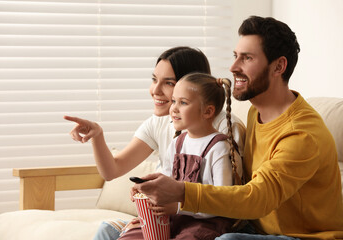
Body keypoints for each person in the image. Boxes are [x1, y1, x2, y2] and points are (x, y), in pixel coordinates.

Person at [132, 16, 343, 240]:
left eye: (247, 58)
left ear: (279, 66)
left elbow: (258, 198)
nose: (233, 67)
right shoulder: (256, 112)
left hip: (302, 237)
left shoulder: (302, 134)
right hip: (252, 228)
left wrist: (181, 192)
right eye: (235, 56)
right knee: (114, 230)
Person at [64, 46, 246, 239]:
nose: (155, 90)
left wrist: (175, 207)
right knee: (109, 230)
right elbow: (112, 170)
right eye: (154, 80)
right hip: (171, 216)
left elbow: (225, 198)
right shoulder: (162, 124)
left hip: (203, 222)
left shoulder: (223, 130)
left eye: (168, 83)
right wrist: (97, 136)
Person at [119, 73, 243, 240]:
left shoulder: (219, 148)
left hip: (206, 224)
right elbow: (167, 180)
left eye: (183, 102)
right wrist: (146, 186)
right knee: (131, 235)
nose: (174, 108)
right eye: (174, 101)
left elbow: (223, 202)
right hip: (175, 218)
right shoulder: (178, 142)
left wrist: (178, 207)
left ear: (208, 111)